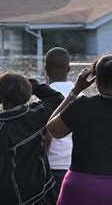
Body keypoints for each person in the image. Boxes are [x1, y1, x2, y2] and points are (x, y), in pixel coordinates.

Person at [47, 54, 112, 205]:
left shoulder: (81, 106)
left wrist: (75, 90)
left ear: (96, 81)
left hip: (80, 187)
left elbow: (52, 128)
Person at [0, 72, 64, 204]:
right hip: (42, 195)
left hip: (12, 199)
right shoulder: (37, 115)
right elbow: (57, 98)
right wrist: (33, 85)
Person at [43, 47, 76, 204]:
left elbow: (45, 137)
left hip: (51, 167)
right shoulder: (81, 97)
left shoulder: (42, 98)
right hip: (77, 167)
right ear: (69, 68)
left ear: (46, 70)